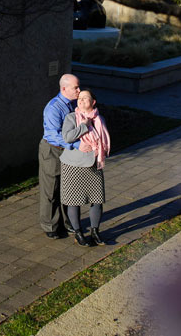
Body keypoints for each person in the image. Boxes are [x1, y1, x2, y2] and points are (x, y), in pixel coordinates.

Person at [60, 88, 111, 246]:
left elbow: (103, 139)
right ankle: (78, 233)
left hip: (94, 164)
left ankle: (95, 232)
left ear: (93, 102)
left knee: (97, 200)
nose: (81, 101)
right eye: (79, 98)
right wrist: (84, 125)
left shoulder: (99, 118)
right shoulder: (71, 117)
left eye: (85, 98)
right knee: (74, 201)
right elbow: (67, 137)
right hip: (73, 165)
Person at [39, 73, 81, 238]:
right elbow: (54, 135)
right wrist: (77, 145)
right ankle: (50, 226)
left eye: (78, 86)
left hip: (68, 151)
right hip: (52, 150)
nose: (79, 90)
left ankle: (67, 222)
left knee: (68, 187)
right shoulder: (54, 107)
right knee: (51, 189)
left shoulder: (73, 104)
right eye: (75, 87)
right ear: (64, 88)